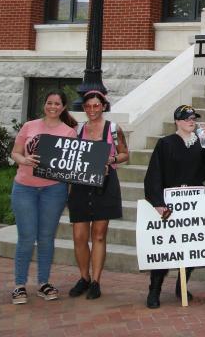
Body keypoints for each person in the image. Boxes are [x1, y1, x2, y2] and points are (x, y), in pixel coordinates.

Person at [143, 105, 205, 308]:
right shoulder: (166, 143)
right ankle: (154, 290)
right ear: (177, 121)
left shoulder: (200, 142)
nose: (191, 121)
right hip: (171, 202)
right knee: (165, 249)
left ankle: (182, 284)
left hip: (192, 203)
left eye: (193, 118)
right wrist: (158, 203)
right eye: (186, 118)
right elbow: (154, 174)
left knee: (190, 246)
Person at [8, 91, 78, 305]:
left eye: (57, 103)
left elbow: (71, 165)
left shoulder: (69, 132)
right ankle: (19, 285)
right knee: (26, 237)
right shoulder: (29, 126)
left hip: (53, 190)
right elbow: (15, 153)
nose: (53, 106)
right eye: (49, 103)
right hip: (24, 188)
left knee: (47, 238)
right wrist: (25, 159)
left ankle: (43, 283)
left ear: (63, 107)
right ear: (44, 105)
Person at [67, 90, 129, 301]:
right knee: (79, 236)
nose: (92, 110)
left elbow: (124, 153)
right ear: (83, 108)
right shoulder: (77, 130)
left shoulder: (113, 129)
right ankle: (84, 277)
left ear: (103, 106)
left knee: (99, 234)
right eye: (88, 106)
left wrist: (110, 160)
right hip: (81, 184)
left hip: (105, 183)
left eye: (96, 106)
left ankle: (96, 281)